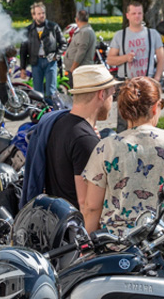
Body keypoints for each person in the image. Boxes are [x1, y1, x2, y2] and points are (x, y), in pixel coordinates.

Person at [81, 77, 164, 235]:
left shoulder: (106, 148)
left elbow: (92, 207)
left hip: (120, 242)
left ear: (123, 111)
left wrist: (89, 243)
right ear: (155, 107)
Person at [20, 65, 119, 208]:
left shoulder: (58, 123)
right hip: (75, 220)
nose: (112, 101)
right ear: (101, 94)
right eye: (112, 95)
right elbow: (86, 204)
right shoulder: (84, 139)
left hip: (56, 215)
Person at [18, 2, 66, 105]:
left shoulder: (53, 27)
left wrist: (56, 56)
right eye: (39, 13)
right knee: (37, 92)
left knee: (51, 91)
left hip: (50, 61)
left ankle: (52, 111)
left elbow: (63, 43)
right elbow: (23, 50)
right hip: (36, 62)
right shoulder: (28, 30)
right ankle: (40, 111)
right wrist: (22, 68)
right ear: (33, 15)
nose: (42, 15)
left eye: (43, 13)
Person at [107, 2, 164, 82]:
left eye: (139, 13)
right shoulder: (120, 35)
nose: (137, 16)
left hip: (147, 81)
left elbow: (161, 58)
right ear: (127, 16)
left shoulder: (153, 34)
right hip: (126, 82)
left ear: (143, 15)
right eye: (133, 13)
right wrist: (125, 58)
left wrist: (156, 79)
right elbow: (110, 60)